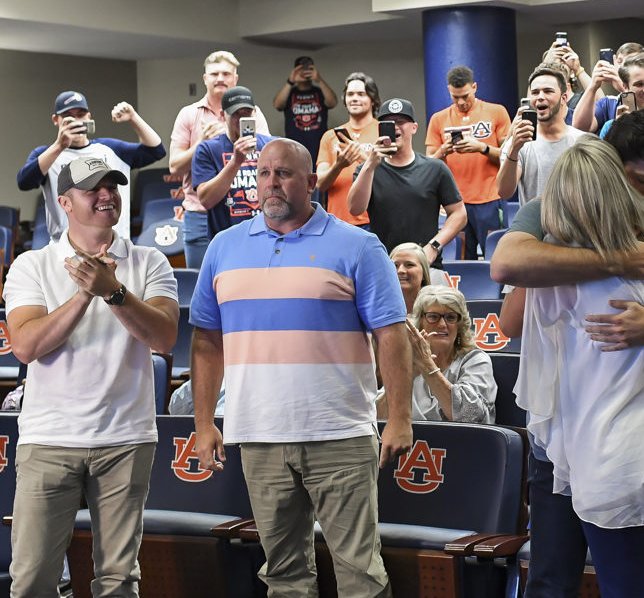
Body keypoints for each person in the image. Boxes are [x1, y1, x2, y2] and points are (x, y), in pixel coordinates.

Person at [491, 109, 644, 597]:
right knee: (556, 577)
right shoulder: (554, 216)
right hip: (583, 437)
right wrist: (614, 259)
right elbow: (508, 278)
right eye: (641, 179)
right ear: (608, 165)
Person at [190, 138, 413, 597]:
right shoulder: (223, 247)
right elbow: (206, 341)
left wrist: (401, 418)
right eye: (265, 173)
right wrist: (203, 422)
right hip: (258, 436)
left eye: (285, 173)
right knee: (284, 575)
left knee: (361, 575)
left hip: (339, 434)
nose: (272, 183)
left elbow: (391, 335)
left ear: (312, 182)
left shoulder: (359, 245)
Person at [3, 157, 179, 595]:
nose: (107, 196)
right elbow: (25, 345)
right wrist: (85, 295)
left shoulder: (150, 261)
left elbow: (164, 338)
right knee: (32, 580)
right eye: (92, 189)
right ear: (63, 202)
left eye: (112, 187)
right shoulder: (32, 264)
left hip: (126, 438)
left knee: (119, 581)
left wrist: (114, 292)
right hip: (49, 439)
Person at [17, 91, 165, 241]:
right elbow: (24, 182)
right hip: (65, 247)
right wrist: (59, 146)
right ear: (56, 120)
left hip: (114, 244)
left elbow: (156, 151)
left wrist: (133, 118)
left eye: (80, 115)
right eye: (68, 116)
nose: (76, 121)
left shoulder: (111, 148)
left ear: (88, 117)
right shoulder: (47, 154)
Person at [170, 50, 270, 267]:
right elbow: (174, 167)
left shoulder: (254, 113)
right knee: (201, 280)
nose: (220, 79)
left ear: (235, 79)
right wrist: (201, 143)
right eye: (214, 74)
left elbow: (266, 157)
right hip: (199, 211)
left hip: (244, 208)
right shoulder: (189, 114)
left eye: (226, 74)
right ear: (205, 78)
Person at [347, 97, 466, 265]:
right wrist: (369, 165)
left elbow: (459, 213)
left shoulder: (435, 168)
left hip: (426, 264)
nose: (395, 127)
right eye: (388, 123)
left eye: (400, 122)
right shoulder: (367, 170)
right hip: (383, 264)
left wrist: (433, 246)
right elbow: (355, 209)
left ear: (414, 128)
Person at [427, 66, 511, 259]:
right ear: (449, 90)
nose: (461, 102)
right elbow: (429, 161)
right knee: (461, 261)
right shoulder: (439, 119)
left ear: (474, 87)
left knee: (496, 258)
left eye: (465, 95)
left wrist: (481, 148)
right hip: (455, 203)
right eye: (455, 97)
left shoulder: (496, 111)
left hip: (489, 199)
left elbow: (509, 156)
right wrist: (443, 151)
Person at [387, 285, 496, 424]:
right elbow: (379, 415)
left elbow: (469, 415)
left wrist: (427, 366)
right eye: (433, 317)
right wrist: (403, 379)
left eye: (450, 317)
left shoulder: (475, 360)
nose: (442, 324)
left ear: (460, 325)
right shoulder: (408, 361)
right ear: (420, 323)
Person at [192, 86, 278, 239]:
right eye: (235, 114)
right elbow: (206, 200)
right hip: (228, 239)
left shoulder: (272, 146)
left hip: (270, 236)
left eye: (246, 113)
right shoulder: (208, 149)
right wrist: (235, 162)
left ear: (255, 113)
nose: (241, 118)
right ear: (222, 115)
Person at [498, 65, 590, 205]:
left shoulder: (583, 141)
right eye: (535, 92)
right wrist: (514, 149)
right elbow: (504, 192)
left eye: (548, 91)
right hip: (534, 225)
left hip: (574, 224)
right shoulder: (517, 143)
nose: (540, 97)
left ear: (563, 98)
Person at [316, 72, 381, 228]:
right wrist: (339, 165)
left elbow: (393, 176)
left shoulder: (383, 131)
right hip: (338, 221)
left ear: (373, 100)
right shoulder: (330, 136)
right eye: (350, 94)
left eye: (361, 94)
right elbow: (320, 184)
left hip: (374, 219)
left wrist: (363, 157)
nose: (354, 98)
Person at [273, 55, 337, 165]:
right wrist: (290, 81)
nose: (305, 71)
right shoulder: (290, 92)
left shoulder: (319, 91)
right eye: (301, 69)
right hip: (294, 149)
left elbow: (333, 103)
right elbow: (277, 105)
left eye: (309, 68)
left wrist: (319, 79)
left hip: (320, 148)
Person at [390, 242, 450, 313]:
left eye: (409, 265)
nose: (401, 270)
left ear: (424, 273)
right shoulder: (376, 308)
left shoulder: (439, 308)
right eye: (395, 265)